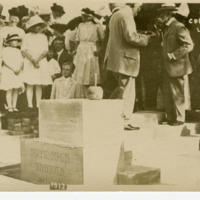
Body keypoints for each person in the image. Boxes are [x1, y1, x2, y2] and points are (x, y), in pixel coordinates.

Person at [104, 3, 150, 130]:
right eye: (138, 8)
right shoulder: (126, 15)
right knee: (127, 91)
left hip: (115, 60)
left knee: (120, 89)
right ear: (133, 5)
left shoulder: (115, 15)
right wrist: (147, 39)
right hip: (125, 60)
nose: (138, 11)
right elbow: (131, 36)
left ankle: (113, 117)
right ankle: (124, 120)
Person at [156, 3, 193, 125]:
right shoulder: (167, 27)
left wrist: (174, 55)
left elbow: (188, 45)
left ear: (168, 14)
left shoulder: (178, 27)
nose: (160, 16)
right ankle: (171, 118)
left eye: (162, 14)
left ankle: (179, 119)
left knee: (177, 93)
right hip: (168, 67)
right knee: (168, 92)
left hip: (177, 66)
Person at [73, 8, 105, 98]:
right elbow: (77, 39)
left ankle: (91, 94)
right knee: (81, 72)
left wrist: (99, 50)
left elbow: (103, 39)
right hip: (81, 49)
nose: (82, 17)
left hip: (91, 49)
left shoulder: (97, 26)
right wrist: (75, 49)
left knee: (90, 71)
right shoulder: (80, 25)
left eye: (85, 15)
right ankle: (81, 95)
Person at [21, 15, 48, 111]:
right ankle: (29, 105)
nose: (39, 27)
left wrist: (37, 60)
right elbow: (23, 50)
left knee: (38, 83)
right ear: (31, 26)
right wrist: (32, 60)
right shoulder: (26, 36)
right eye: (36, 25)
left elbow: (45, 51)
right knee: (30, 83)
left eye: (40, 25)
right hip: (29, 61)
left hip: (40, 61)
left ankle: (38, 104)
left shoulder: (43, 37)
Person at [0, 34, 24, 112]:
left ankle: (14, 106)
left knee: (16, 89)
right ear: (9, 42)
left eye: (17, 40)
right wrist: (13, 68)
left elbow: (21, 61)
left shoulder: (18, 51)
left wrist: (19, 69)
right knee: (9, 89)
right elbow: (4, 61)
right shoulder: (5, 50)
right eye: (14, 40)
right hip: (9, 71)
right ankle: (9, 106)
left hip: (17, 71)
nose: (16, 42)